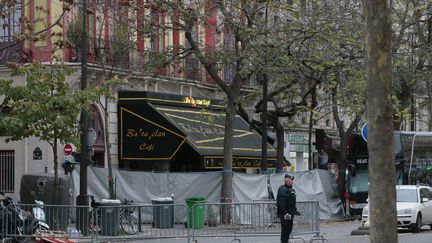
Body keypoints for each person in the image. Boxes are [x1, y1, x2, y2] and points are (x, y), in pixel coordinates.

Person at [277, 174, 300, 243]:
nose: (292, 182)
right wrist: (285, 212)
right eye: (291, 180)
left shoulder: (291, 189)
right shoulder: (282, 189)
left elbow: (292, 202)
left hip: (290, 212)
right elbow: (281, 203)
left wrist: (295, 210)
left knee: (289, 228)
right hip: (285, 213)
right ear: (287, 181)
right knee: (285, 228)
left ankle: (286, 240)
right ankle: (283, 241)